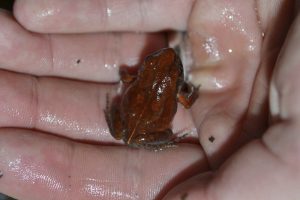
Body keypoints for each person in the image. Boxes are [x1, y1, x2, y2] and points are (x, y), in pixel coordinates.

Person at [0, 0, 298, 199]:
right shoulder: (174, 90)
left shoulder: (137, 77)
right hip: (137, 127)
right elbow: (188, 101)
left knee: (125, 129)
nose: (159, 58)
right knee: (155, 132)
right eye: (154, 60)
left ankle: (131, 124)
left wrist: (127, 83)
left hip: (126, 122)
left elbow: (124, 74)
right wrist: (190, 89)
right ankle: (156, 138)